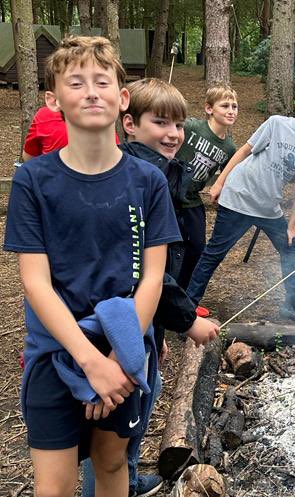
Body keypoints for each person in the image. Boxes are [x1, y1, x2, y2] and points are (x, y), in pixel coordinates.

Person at [3, 36, 180, 497]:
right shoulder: (33, 179)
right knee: (55, 486)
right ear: (53, 99)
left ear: (122, 97)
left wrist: (118, 359)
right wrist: (88, 362)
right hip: (56, 351)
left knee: (111, 461)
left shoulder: (148, 181)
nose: (90, 91)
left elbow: (153, 277)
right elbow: (36, 282)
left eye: (102, 81)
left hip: (122, 353)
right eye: (75, 82)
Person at [80, 77, 221, 497]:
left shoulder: (159, 172)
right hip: (116, 320)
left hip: (141, 320)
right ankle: (107, 485)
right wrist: (187, 320)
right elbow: (144, 270)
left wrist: (156, 331)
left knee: (147, 394)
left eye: (178, 125)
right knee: (112, 420)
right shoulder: (135, 178)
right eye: (160, 122)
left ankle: (125, 477)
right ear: (129, 124)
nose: (173, 134)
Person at [185, 84, 295, 324]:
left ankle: (292, 303)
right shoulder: (276, 124)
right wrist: (220, 182)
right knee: (214, 253)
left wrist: (292, 224)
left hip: (267, 207)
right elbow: (244, 150)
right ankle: (187, 310)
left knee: (290, 246)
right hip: (238, 198)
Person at [175, 85, 239, 317]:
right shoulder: (193, 127)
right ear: (209, 109)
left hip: (192, 200)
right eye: (225, 106)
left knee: (198, 247)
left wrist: (220, 188)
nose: (231, 110)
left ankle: (183, 296)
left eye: (234, 106)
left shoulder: (229, 147)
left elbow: (227, 173)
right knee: (170, 247)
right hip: (169, 196)